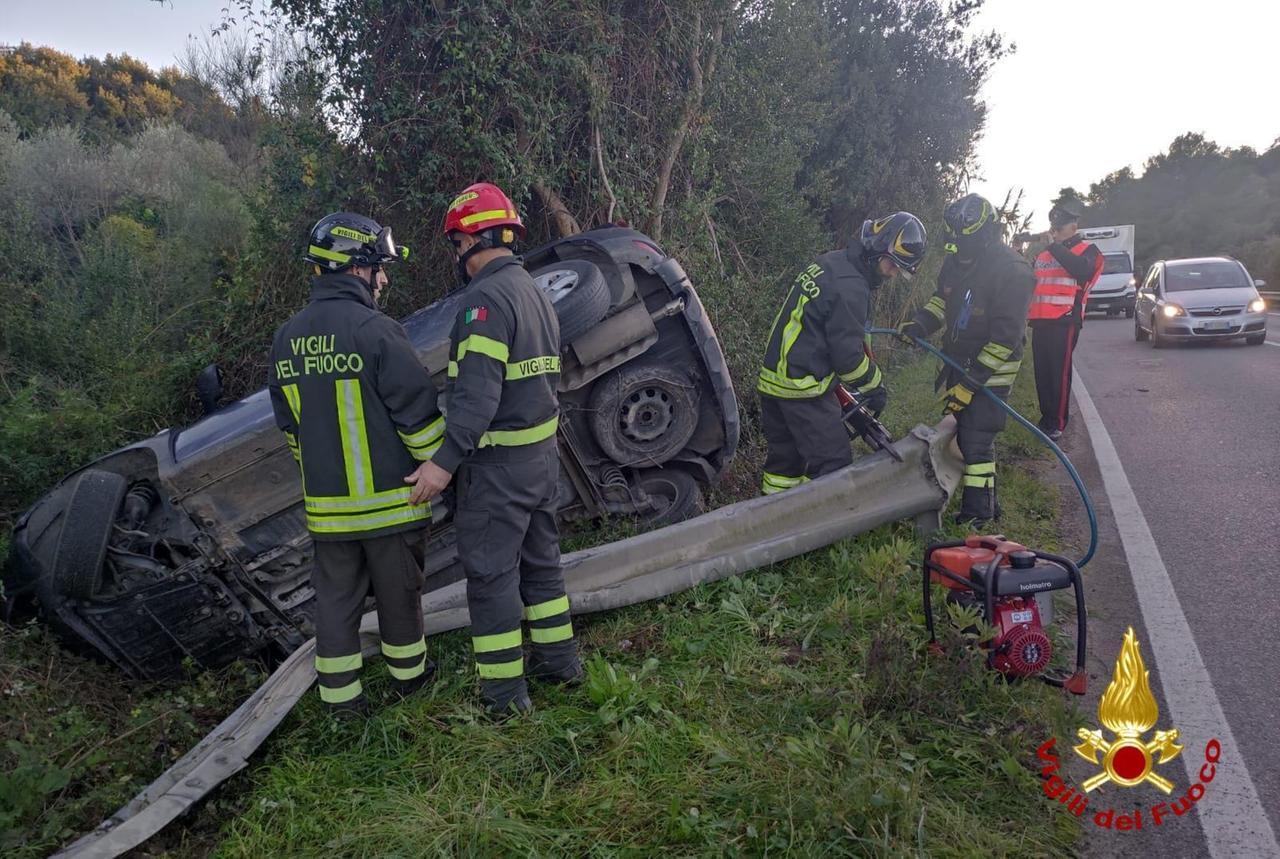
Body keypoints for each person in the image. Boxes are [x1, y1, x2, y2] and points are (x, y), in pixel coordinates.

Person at [408, 182, 581, 714]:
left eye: (456, 243)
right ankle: (562, 666)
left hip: (497, 468)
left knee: (491, 579)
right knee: (542, 565)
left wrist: (441, 465)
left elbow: (478, 398)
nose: (456, 255)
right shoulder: (533, 292)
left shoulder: (483, 301)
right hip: (538, 461)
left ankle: (505, 699)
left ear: (469, 240)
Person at [268, 212, 444, 717]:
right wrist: (442, 466)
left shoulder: (285, 340)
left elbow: (292, 430)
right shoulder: (377, 331)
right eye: (378, 268)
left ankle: (342, 705)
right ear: (355, 267)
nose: (383, 279)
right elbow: (420, 419)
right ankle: (411, 685)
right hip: (393, 506)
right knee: (399, 602)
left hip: (329, 514)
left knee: (336, 609)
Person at [756, 212, 927, 495]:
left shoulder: (832, 262)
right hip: (803, 387)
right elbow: (847, 360)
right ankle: (824, 530)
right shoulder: (851, 287)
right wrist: (875, 385)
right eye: (892, 265)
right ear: (877, 250)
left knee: (784, 464)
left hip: (775, 379)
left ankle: (770, 521)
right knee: (833, 463)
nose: (893, 274)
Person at [899, 193, 1035, 524]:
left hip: (993, 367)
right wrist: (921, 324)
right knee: (967, 431)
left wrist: (971, 384)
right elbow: (941, 300)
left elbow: (1005, 340)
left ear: (986, 234)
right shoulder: (958, 257)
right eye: (954, 243)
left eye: (964, 244)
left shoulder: (1013, 271)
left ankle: (979, 513)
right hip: (959, 359)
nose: (957, 251)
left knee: (977, 438)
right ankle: (988, 501)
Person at [1028, 198, 1103, 439]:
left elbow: (1082, 270)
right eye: (1053, 229)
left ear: (1074, 226)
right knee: (1042, 373)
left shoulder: (1088, 251)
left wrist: (1054, 246)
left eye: (1059, 229)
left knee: (1058, 373)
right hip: (1040, 320)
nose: (1055, 233)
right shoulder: (1045, 254)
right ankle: (1046, 419)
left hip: (1064, 320)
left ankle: (1057, 422)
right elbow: (1031, 278)